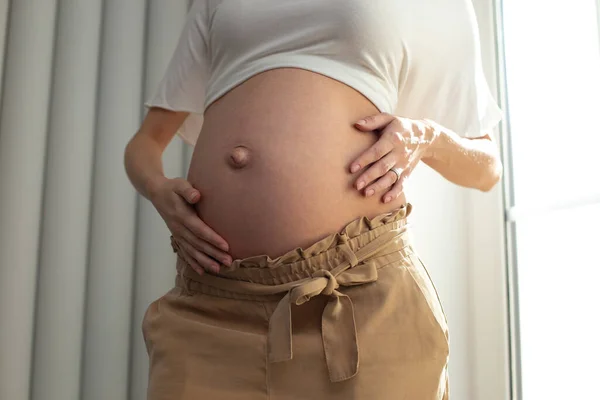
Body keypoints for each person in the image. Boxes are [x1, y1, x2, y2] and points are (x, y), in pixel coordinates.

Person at [124, 0, 503, 398]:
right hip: (212, 305)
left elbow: (487, 167)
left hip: (358, 299)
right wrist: (157, 189)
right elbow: (145, 144)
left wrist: (427, 137)